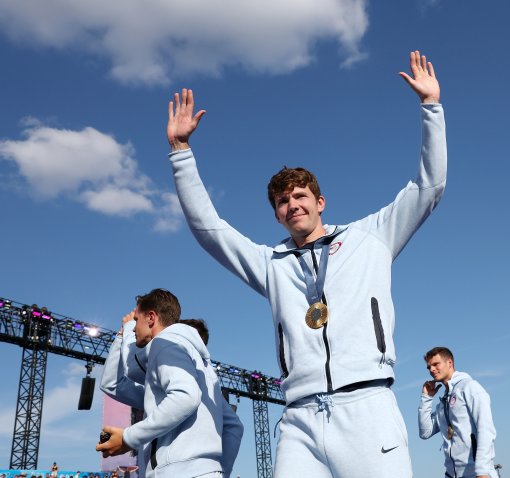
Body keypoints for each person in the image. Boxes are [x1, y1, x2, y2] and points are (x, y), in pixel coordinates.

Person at [166, 50, 445, 478]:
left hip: (366, 408)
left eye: (300, 196)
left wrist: (431, 107)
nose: (292, 204)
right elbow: (209, 230)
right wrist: (181, 151)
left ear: (320, 202)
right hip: (299, 417)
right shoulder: (271, 263)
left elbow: (429, 186)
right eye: (282, 201)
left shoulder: (370, 237)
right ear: (276, 214)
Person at [96, 289, 243, 477]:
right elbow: (113, 384)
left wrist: (128, 438)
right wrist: (218, 471)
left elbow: (185, 397)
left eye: (137, 321)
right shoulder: (204, 373)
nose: (133, 329)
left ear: (151, 317)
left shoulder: (165, 342)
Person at [418, 347, 497, 478]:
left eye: (436, 364)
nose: (431, 369)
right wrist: (426, 398)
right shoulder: (442, 403)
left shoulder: (470, 387)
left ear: (450, 363)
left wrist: (482, 471)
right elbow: (425, 432)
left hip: (477, 474)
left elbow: (486, 430)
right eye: (429, 367)